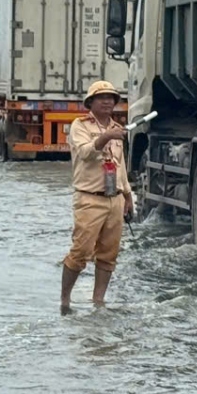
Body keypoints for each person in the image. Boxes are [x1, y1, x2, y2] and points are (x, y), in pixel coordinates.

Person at [60, 80, 133, 313]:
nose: (107, 102)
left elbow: (120, 166)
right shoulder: (79, 125)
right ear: (90, 102)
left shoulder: (117, 128)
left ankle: (98, 301)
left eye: (111, 98)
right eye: (101, 98)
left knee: (109, 254)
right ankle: (65, 300)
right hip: (89, 198)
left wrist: (128, 195)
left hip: (115, 197)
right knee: (80, 251)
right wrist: (104, 138)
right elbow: (84, 153)